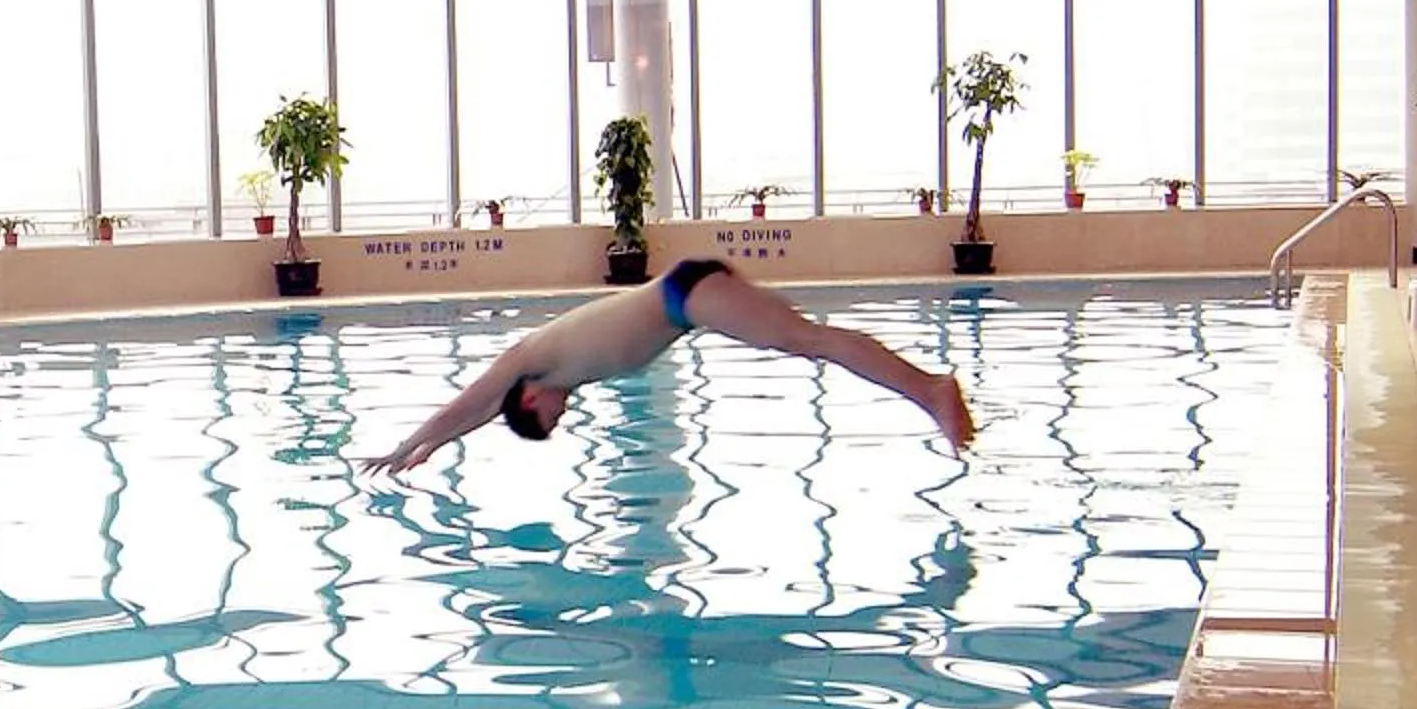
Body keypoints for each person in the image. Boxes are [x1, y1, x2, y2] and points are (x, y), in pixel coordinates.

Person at [356, 257, 973, 476]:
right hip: (689, 299)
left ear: (530, 400)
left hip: (685, 297)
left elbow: (474, 400)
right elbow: (482, 412)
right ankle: (928, 392)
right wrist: (430, 449)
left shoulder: (532, 360)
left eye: (547, 421)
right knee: (804, 339)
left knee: (810, 341)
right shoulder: (555, 371)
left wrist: (407, 443)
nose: (561, 417)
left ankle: (930, 391)